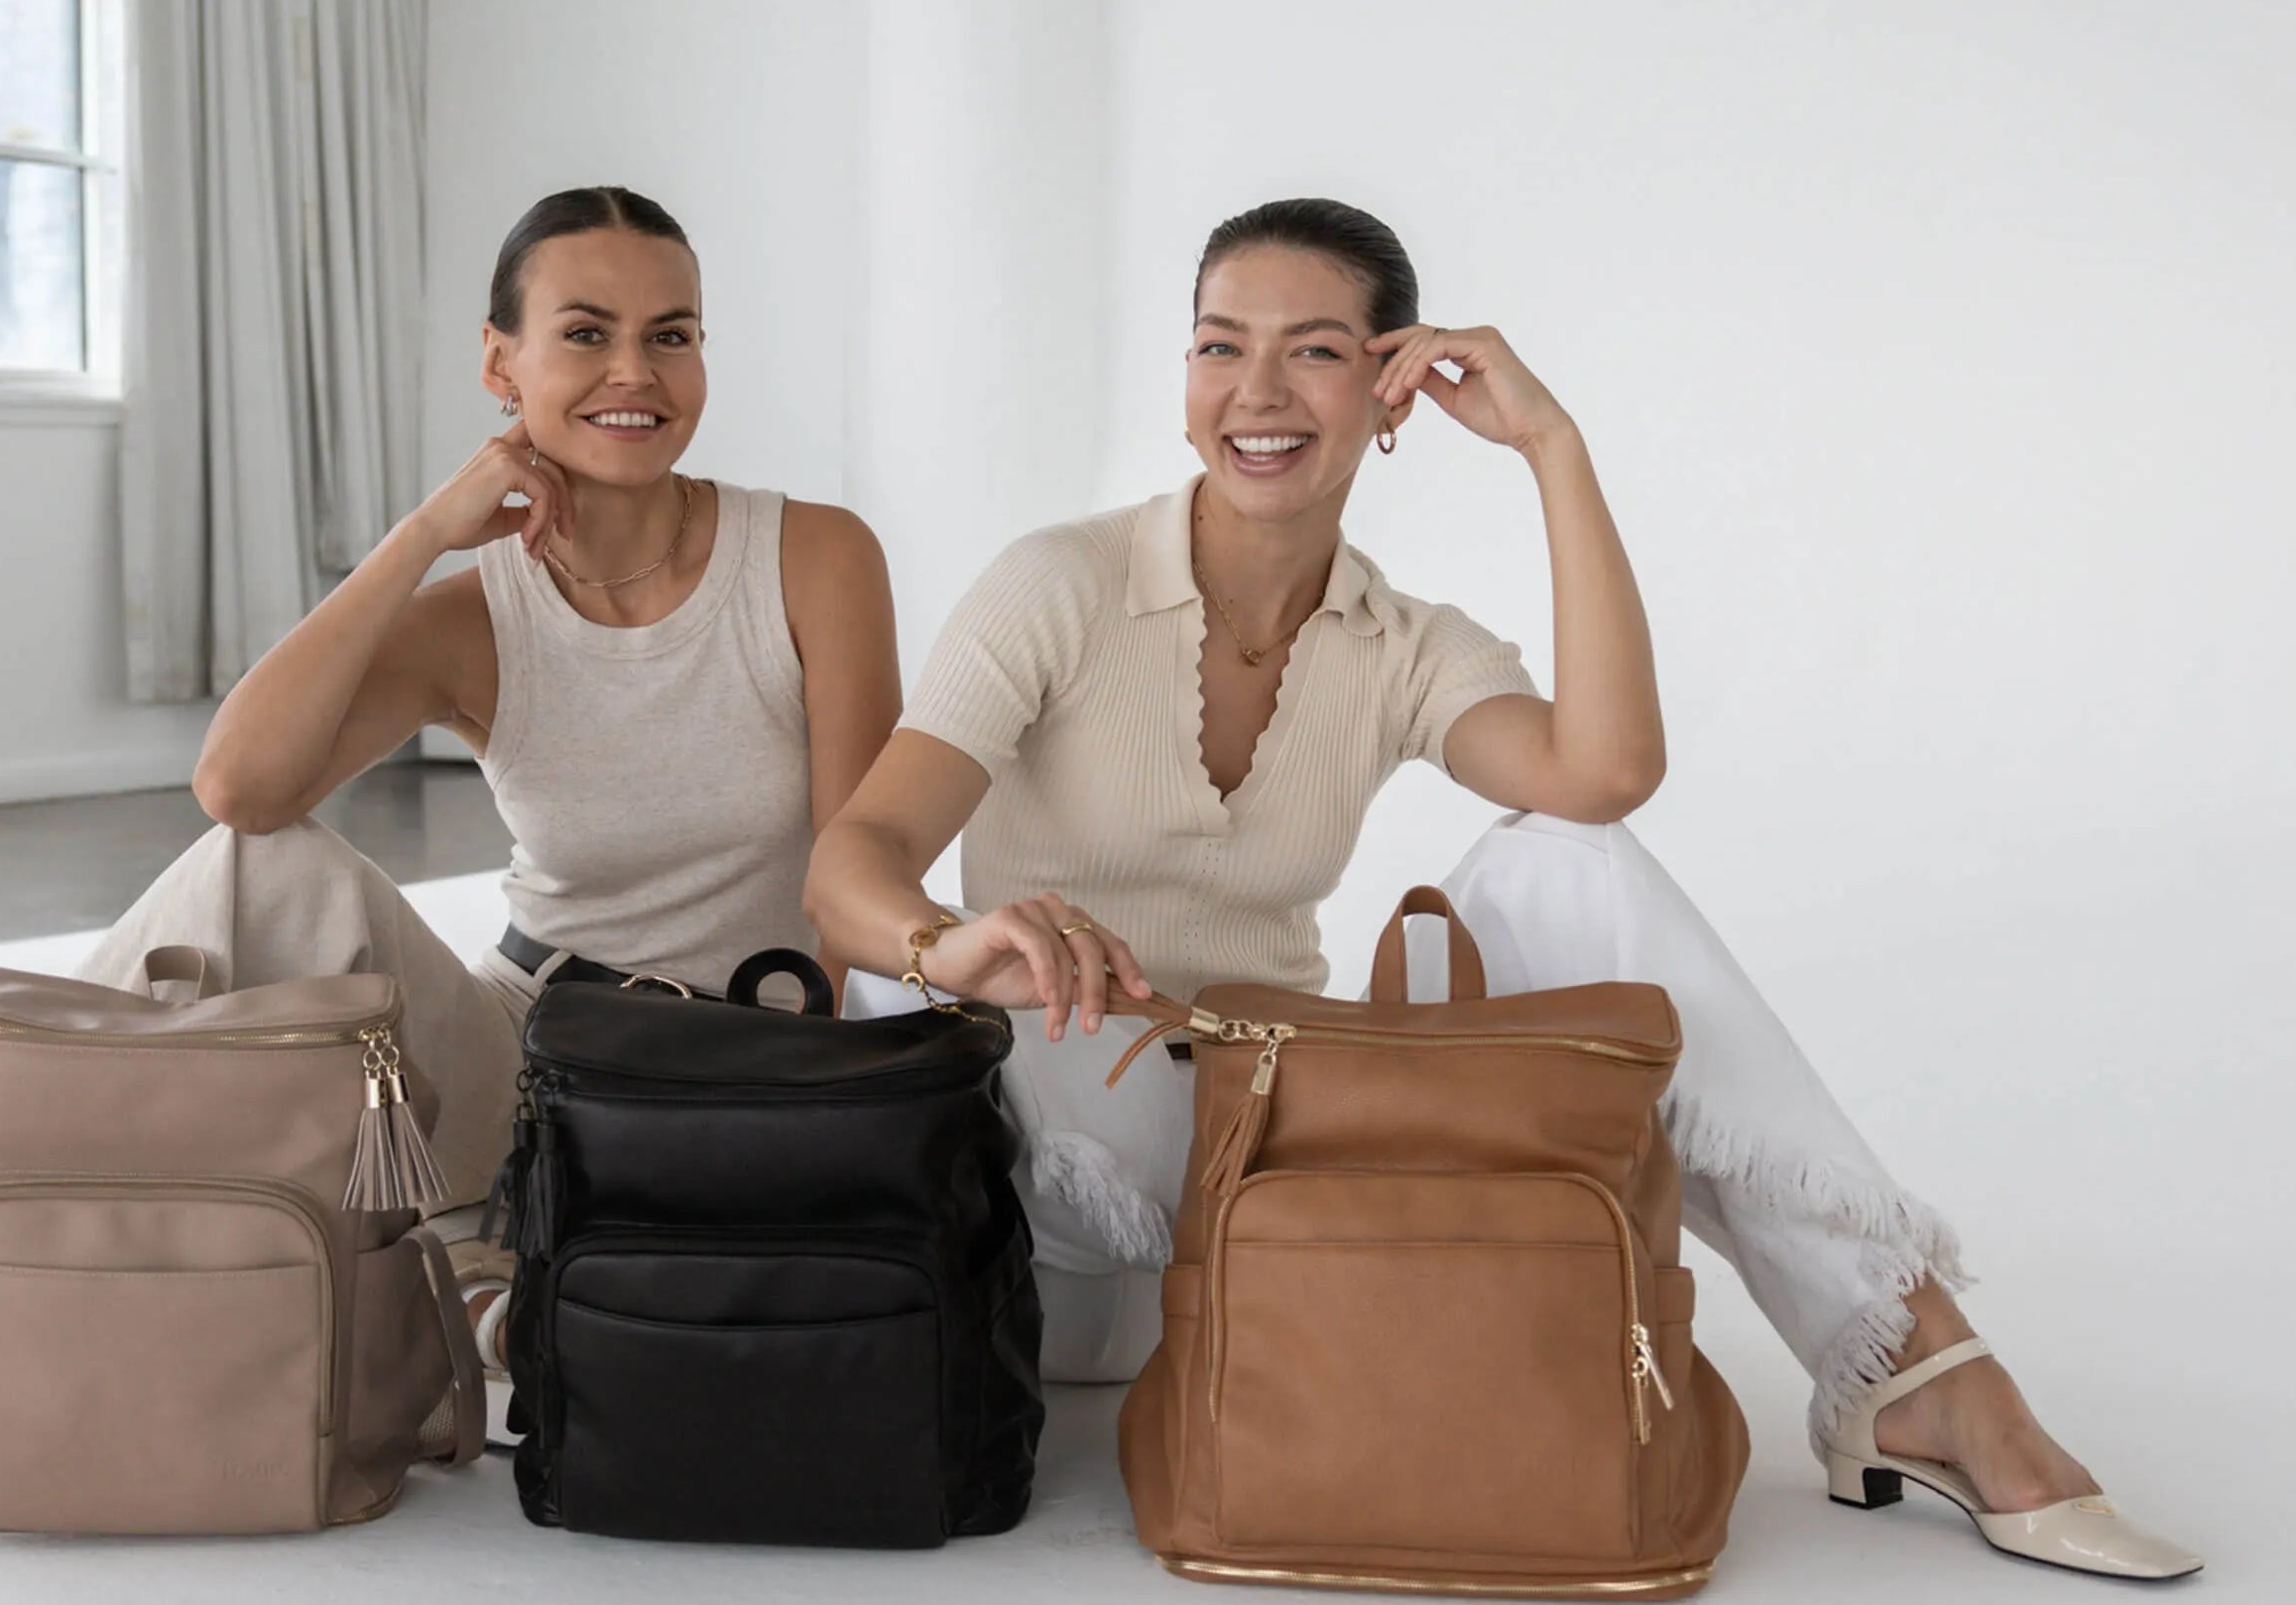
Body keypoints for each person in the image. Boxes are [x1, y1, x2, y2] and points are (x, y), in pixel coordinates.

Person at [804, 197, 2197, 1580]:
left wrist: (1551, 447)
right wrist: (955, 943)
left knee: (1571, 863)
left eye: (1314, 351)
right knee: (925, 993)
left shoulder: (1400, 642)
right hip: (1050, 1181)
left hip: (1264, 1162)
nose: (1256, 391)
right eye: (1220, 346)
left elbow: (1606, 772)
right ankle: (1913, 1375)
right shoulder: (1057, 585)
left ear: (1392, 391)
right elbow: (849, 866)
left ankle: (1907, 1364)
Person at [0, 185, 900, 1495]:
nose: (635, 372)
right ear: (500, 364)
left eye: (670, 335)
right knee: (261, 867)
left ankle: (471, 1261)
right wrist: (422, 534)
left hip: (731, 1082)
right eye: (585, 333)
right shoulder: (476, 613)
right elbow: (238, 786)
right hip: (525, 1061)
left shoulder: (811, 557)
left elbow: (855, 872)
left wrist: (794, 1116)